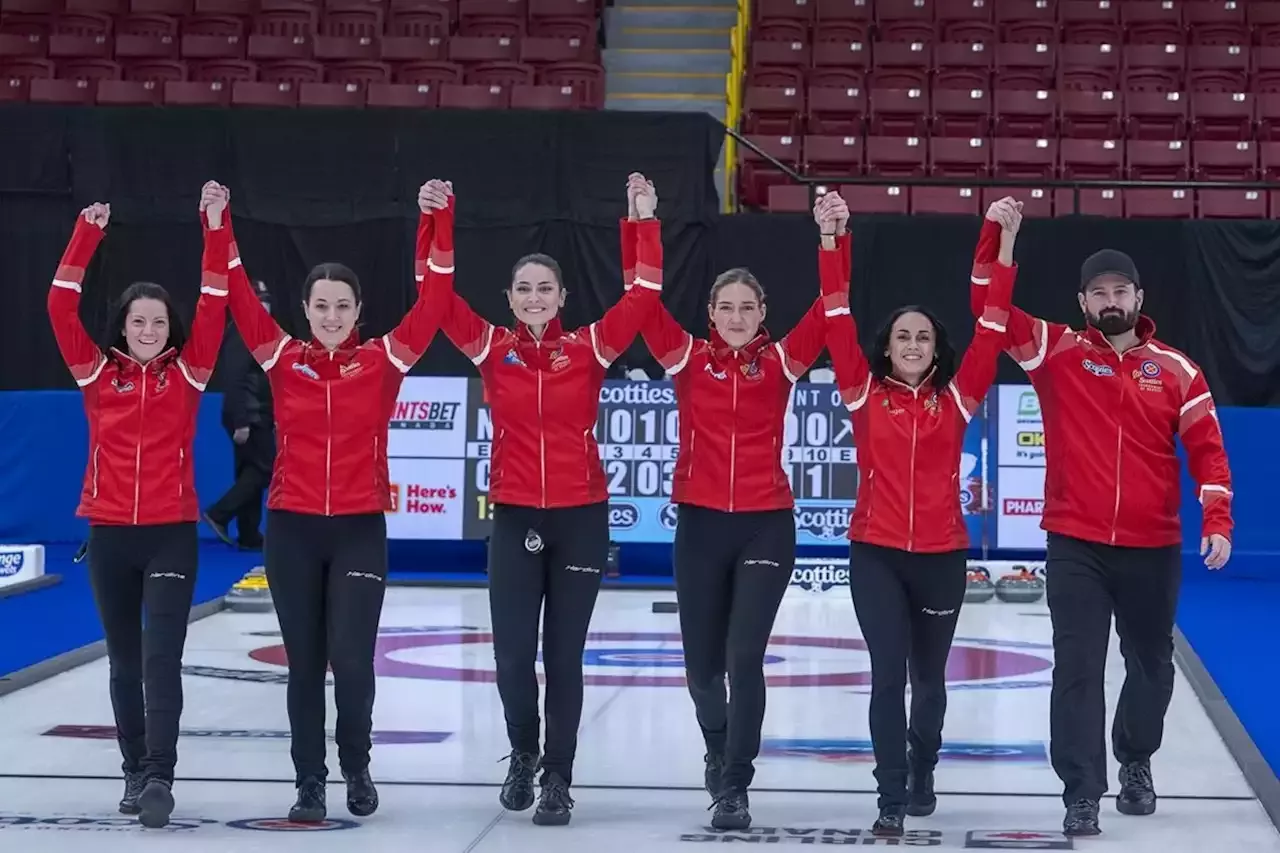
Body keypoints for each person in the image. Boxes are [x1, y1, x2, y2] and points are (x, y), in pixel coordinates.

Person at [968, 197, 1234, 837]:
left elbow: (1210, 454)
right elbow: (987, 312)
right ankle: (1081, 791)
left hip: (1151, 545)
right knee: (1079, 665)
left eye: (1120, 290)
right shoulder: (1055, 351)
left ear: (1139, 296)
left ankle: (1135, 758)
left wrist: (1217, 520)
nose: (1110, 300)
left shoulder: (1177, 371)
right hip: (1075, 542)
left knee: (1151, 665)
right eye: (1099, 293)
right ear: (1083, 303)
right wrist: (996, 238)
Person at [421, 178, 664, 827]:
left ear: (562, 296)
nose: (534, 297)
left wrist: (640, 221)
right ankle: (524, 753)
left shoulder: (587, 347)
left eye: (545, 288)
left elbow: (643, 296)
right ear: (509, 298)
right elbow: (436, 298)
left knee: (563, 655)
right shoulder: (491, 348)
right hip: (515, 515)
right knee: (509, 654)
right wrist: (438, 221)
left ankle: (558, 775)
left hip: (580, 519)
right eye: (523, 288)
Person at [215, 178, 454, 823]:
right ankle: (309, 783)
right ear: (305, 308)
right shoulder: (280, 357)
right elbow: (237, 297)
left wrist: (438, 222)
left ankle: (357, 763)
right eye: (321, 305)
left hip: (357, 530)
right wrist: (220, 224)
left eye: (342, 305)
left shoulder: (382, 361)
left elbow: (434, 304)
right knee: (304, 667)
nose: (331, 316)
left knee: (351, 659)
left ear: (358, 310)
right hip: (291, 530)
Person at [620, 172, 833, 831]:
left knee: (745, 657)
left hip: (767, 525)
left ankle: (735, 783)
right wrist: (642, 221)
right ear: (710, 313)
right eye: (726, 307)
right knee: (703, 670)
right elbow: (641, 301)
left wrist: (831, 235)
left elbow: (832, 306)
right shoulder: (684, 358)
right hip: (701, 525)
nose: (737, 316)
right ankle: (716, 745)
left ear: (763, 313)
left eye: (748, 307)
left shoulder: (784, 362)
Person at [817, 191, 1018, 837]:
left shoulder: (957, 400)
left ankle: (922, 767)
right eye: (902, 335)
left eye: (922, 336)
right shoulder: (861, 392)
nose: (910, 343)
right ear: (889, 345)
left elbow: (992, 326)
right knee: (886, 678)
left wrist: (1002, 246)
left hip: (940, 556)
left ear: (935, 349)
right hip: (874, 551)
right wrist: (830, 240)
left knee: (928, 680)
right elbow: (836, 313)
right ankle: (890, 795)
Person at [46, 183, 230, 829]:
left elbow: (215, 299)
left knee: (161, 659)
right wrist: (85, 236)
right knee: (123, 662)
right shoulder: (99, 376)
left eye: (158, 321)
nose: (149, 329)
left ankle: (160, 772)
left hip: (170, 535)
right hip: (110, 537)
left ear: (168, 328)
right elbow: (59, 302)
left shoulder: (189, 374)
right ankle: (132, 768)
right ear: (123, 326)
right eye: (138, 320)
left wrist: (215, 224)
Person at [203, 277, 273, 550]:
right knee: (265, 470)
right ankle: (219, 513)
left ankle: (248, 534)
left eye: (267, 301)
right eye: (260, 300)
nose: (266, 306)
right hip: (251, 416)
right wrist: (242, 421)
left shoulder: (256, 332)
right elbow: (234, 378)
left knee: (249, 472)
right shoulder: (244, 332)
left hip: (256, 414)